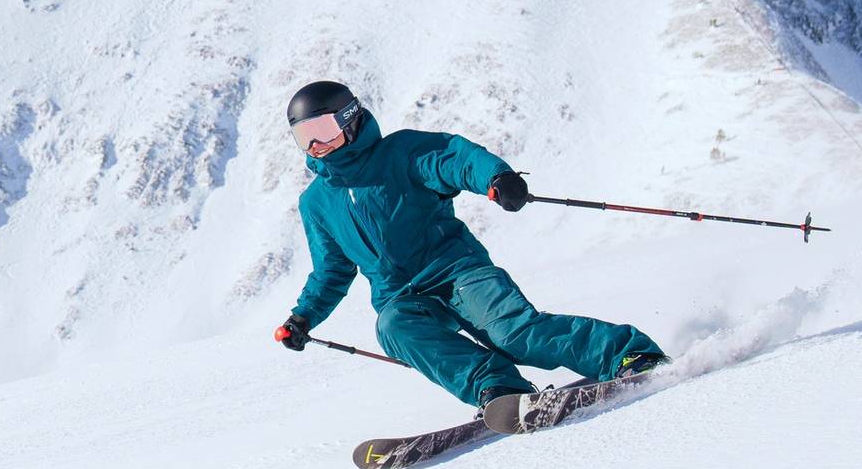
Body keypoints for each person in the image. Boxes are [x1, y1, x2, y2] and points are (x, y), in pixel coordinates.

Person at [273, 80, 666, 409]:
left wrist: (497, 178)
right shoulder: (316, 202)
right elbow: (332, 270)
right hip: (401, 297)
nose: (314, 146)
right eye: (303, 137)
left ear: (349, 119)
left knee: (513, 334)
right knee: (393, 327)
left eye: (321, 130)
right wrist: (303, 318)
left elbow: (453, 158)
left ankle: (627, 353)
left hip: (457, 270)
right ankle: (501, 389)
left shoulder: (401, 152)